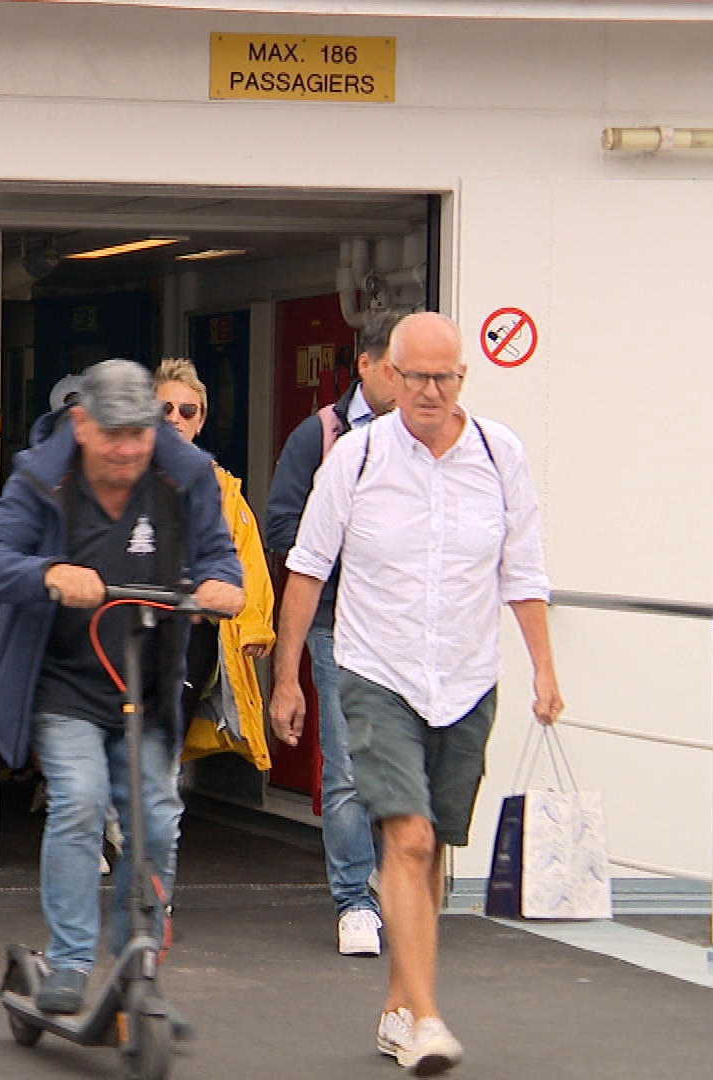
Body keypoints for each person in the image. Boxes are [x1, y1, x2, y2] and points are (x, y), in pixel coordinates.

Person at [269, 312, 561, 1075]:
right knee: (409, 837)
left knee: (430, 844)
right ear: (390, 375)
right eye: (418, 377)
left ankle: (398, 1006)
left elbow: (523, 570)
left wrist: (545, 669)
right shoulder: (357, 457)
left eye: (446, 377)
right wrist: (286, 677)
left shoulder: (499, 454)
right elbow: (307, 567)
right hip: (377, 671)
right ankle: (427, 1018)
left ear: (463, 376)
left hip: (466, 677)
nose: (431, 391)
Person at [0, 358, 244, 1015]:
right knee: (81, 802)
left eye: (139, 435)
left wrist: (221, 584)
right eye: (113, 435)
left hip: (147, 677)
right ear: (82, 424)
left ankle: (138, 957)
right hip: (65, 682)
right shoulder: (43, 478)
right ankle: (71, 959)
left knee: (157, 818)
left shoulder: (186, 477)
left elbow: (218, 557)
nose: (127, 450)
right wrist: (48, 573)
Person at [264, 309, 403, 956]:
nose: (414, 387)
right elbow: (281, 528)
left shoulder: (435, 441)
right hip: (337, 624)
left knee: (404, 767)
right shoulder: (319, 434)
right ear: (366, 365)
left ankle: (389, 881)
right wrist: (352, 551)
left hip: (407, 628)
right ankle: (355, 901)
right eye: (400, 371)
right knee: (346, 765)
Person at [152, 359, 275, 772]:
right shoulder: (121, 476)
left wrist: (254, 624)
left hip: (192, 632)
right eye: (165, 409)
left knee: (163, 745)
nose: (175, 418)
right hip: (128, 624)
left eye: (187, 410)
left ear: (200, 419)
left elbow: (248, 561)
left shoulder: (222, 489)